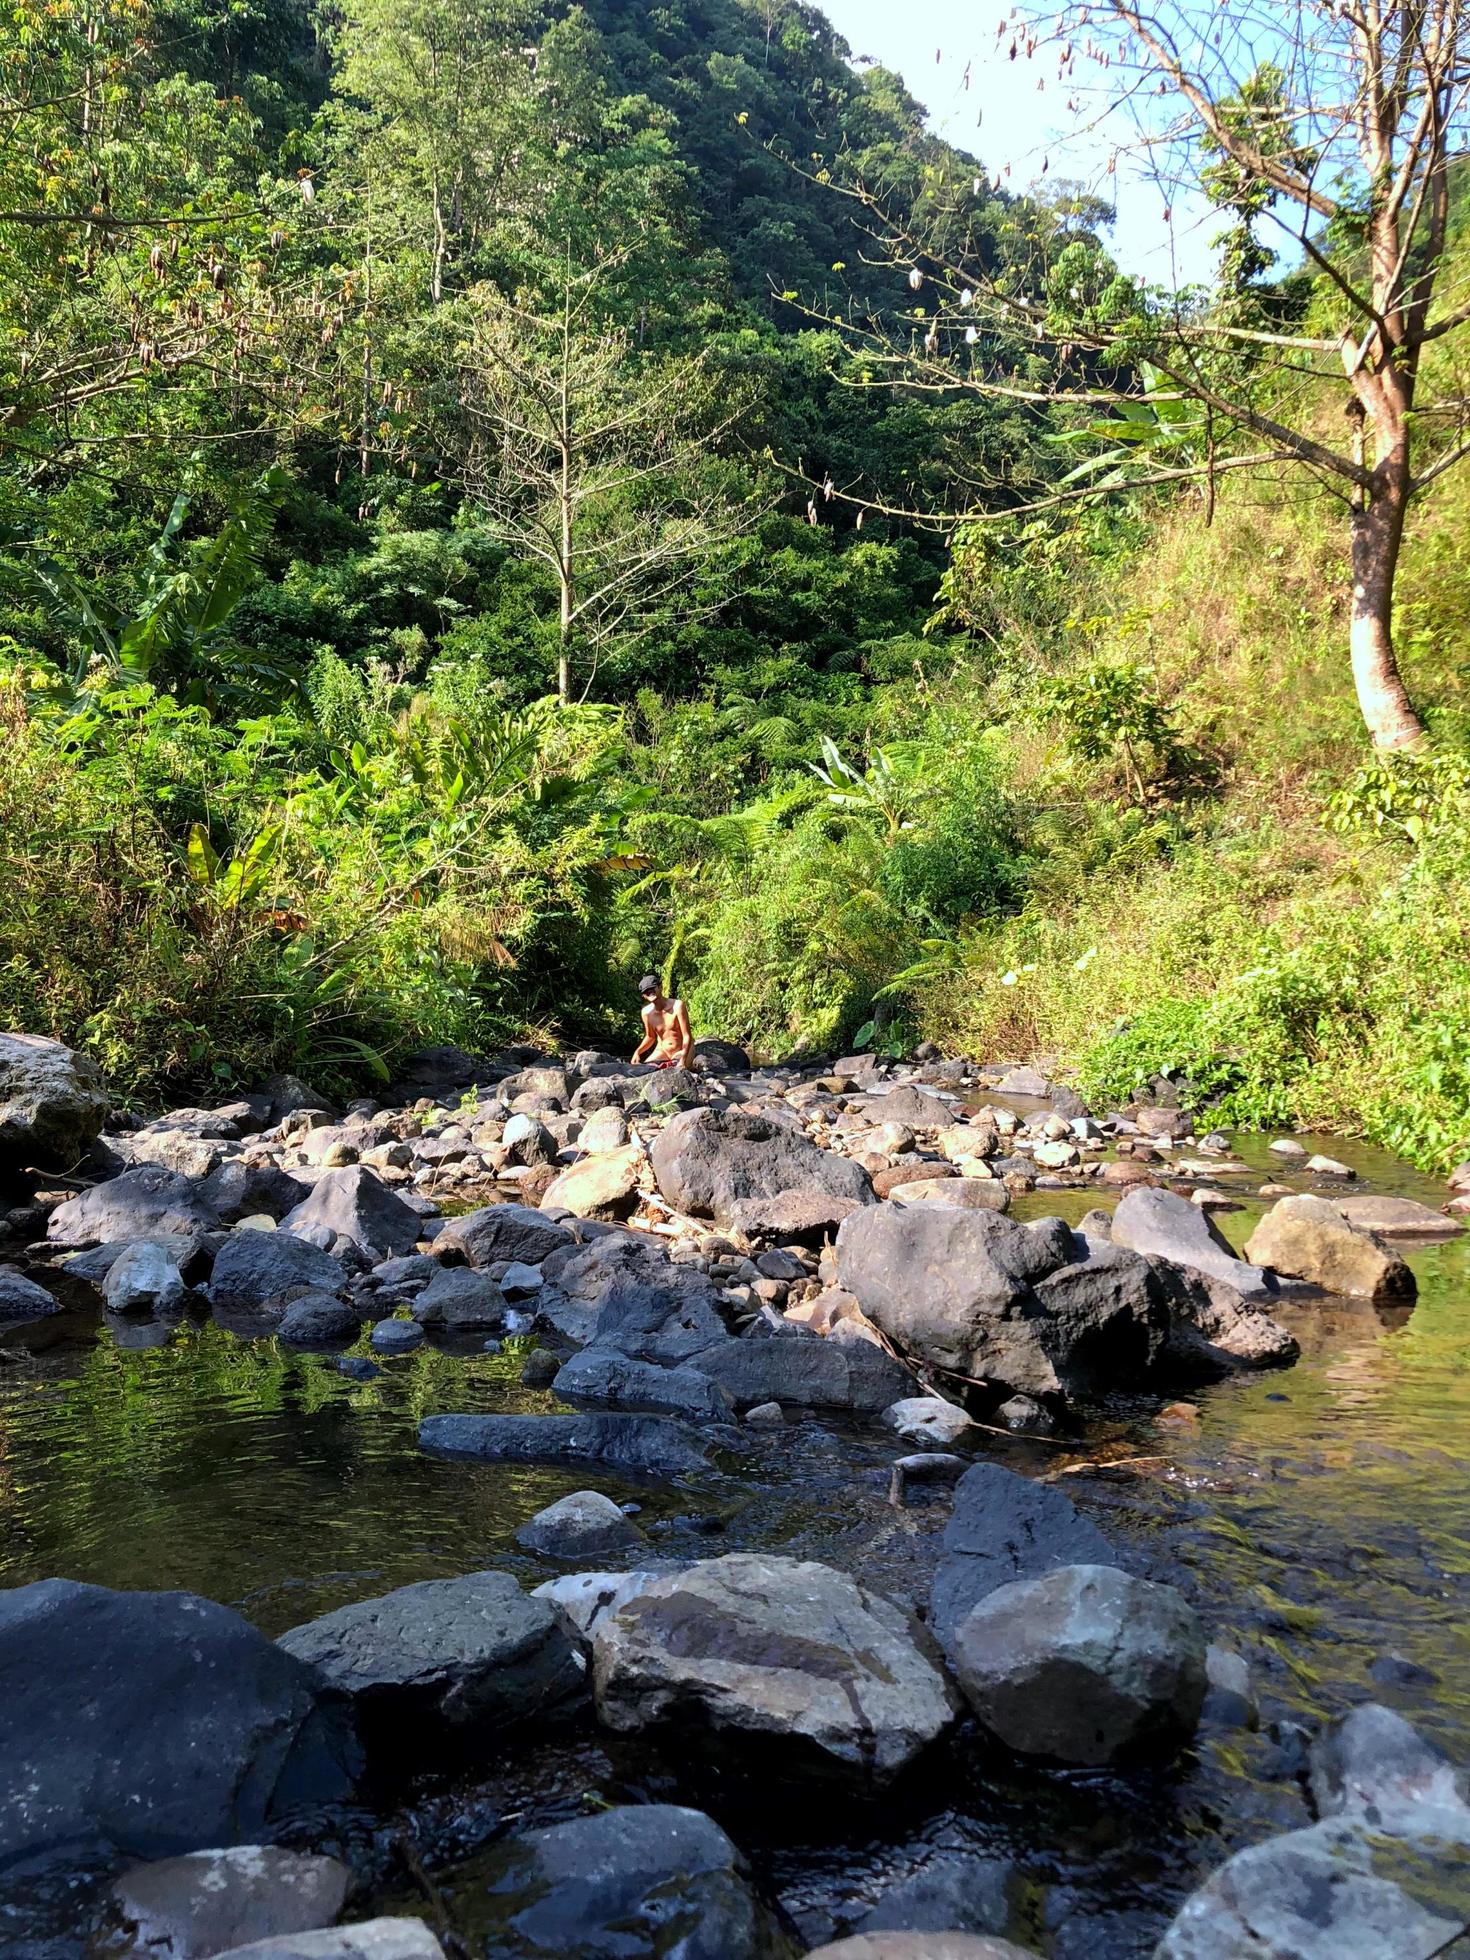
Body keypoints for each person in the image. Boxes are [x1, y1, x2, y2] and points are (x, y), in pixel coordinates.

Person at [631, 973, 695, 1070]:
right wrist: (638, 1052)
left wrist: (683, 1058)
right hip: (662, 1051)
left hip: (682, 1049)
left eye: (652, 989)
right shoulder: (646, 1013)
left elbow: (687, 1035)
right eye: (647, 992)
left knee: (677, 1070)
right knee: (645, 1070)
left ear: (660, 987)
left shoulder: (678, 1006)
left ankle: (690, 1065)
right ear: (644, 996)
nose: (651, 993)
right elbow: (650, 1036)